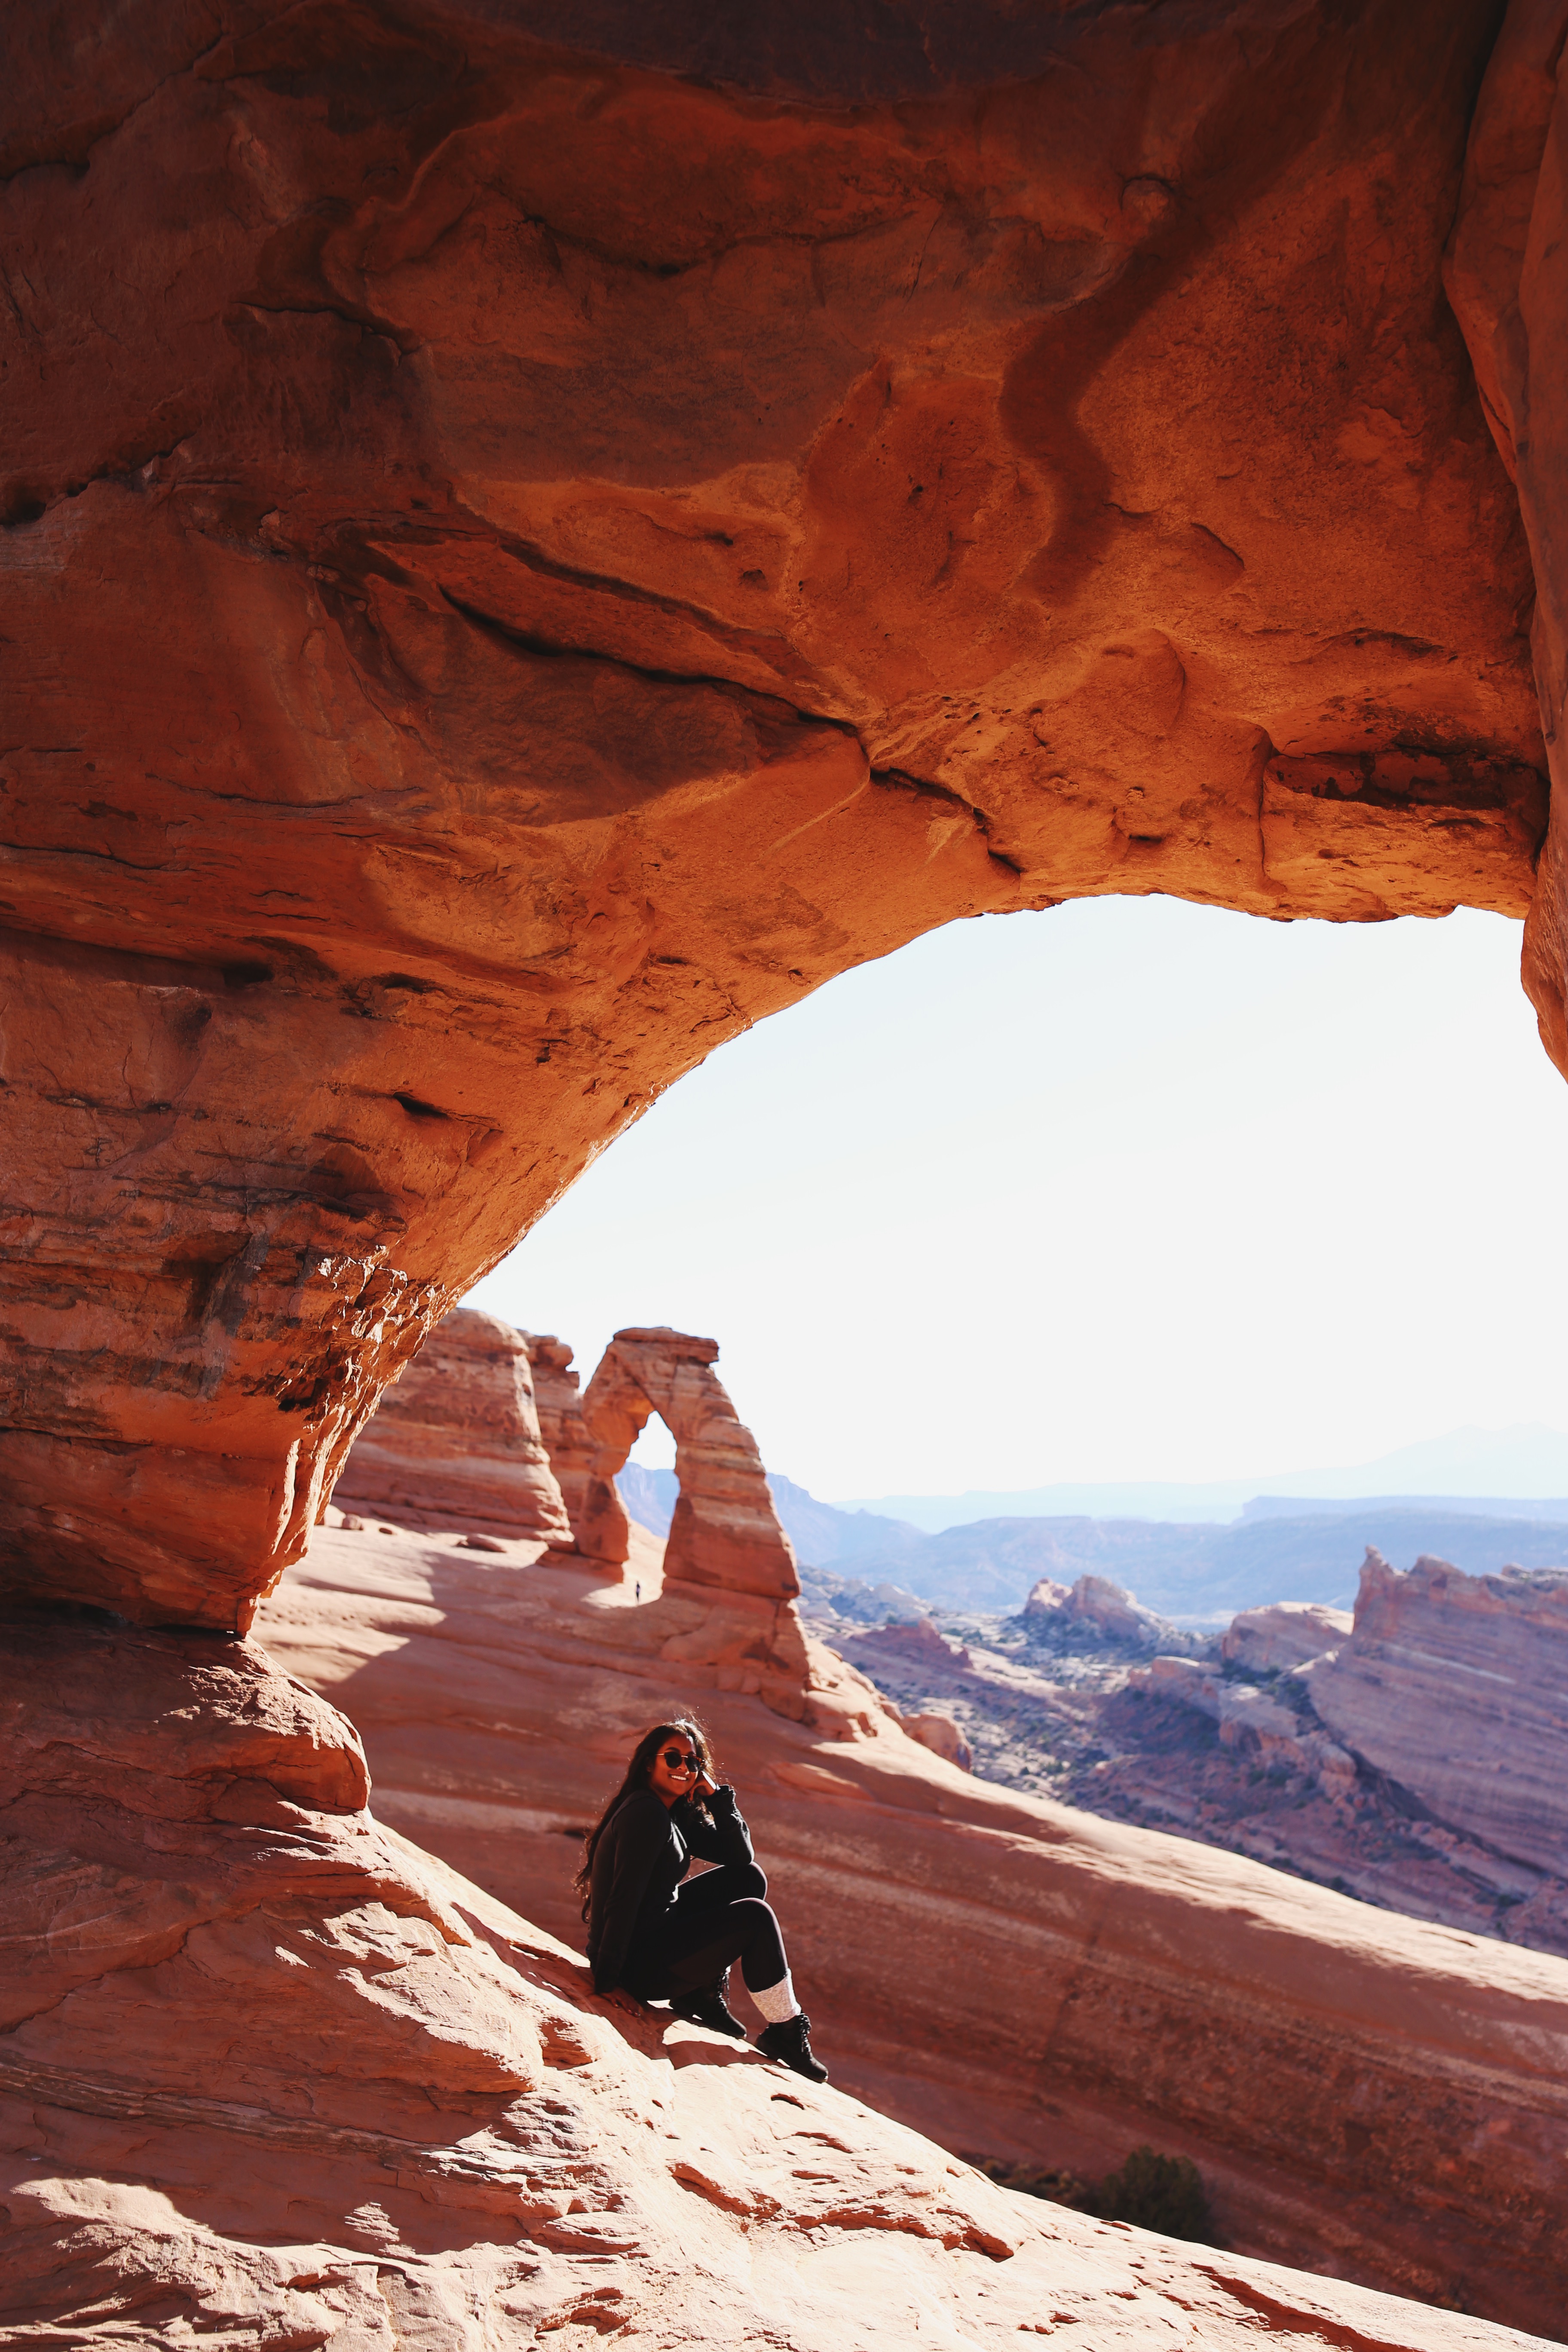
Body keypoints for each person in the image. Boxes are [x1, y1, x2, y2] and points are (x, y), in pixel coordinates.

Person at [576, 1716, 827, 2083]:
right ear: (650, 1761)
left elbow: (740, 1855)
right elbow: (622, 1899)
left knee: (748, 1878)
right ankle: (786, 2031)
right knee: (754, 1918)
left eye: (693, 1762)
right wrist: (608, 1979)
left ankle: (700, 1995)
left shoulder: (671, 1810)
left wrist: (716, 1796)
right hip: (638, 1966)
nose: (684, 1768)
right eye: (673, 1758)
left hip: (655, 1937)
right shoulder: (646, 1813)